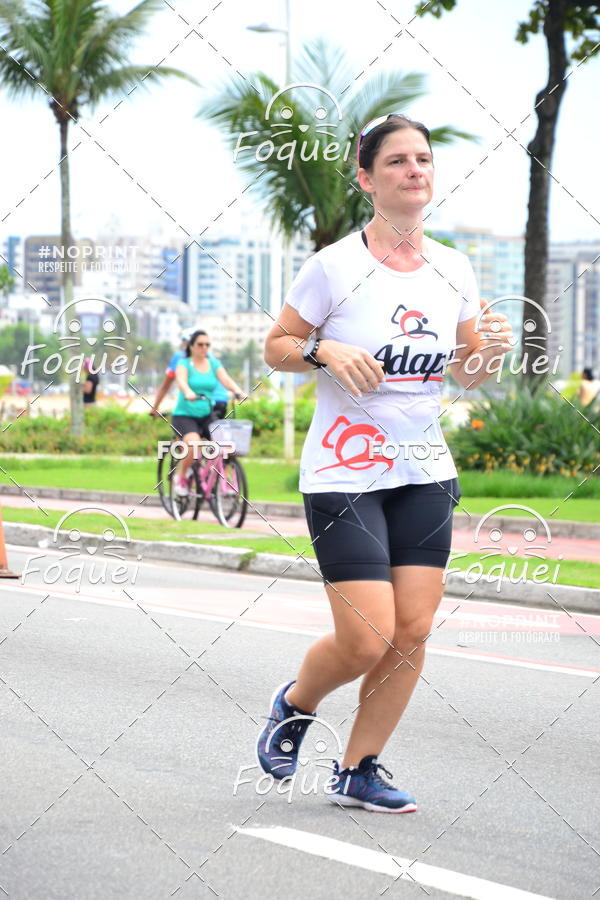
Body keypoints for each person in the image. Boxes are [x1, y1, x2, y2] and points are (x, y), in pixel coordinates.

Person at [259, 113, 514, 813]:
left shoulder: (453, 268)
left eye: (423, 159)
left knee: (412, 630)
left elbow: (468, 372)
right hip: (344, 472)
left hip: (424, 470)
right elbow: (276, 346)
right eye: (397, 161)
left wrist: (490, 351)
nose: (414, 170)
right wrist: (324, 350)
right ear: (367, 179)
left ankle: (358, 769)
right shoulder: (334, 267)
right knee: (367, 636)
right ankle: (295, 703)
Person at [171, 329, 244, 496]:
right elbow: (181, 380)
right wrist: (188, 392)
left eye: (207, 345)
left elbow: (226, 379)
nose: (204, 348)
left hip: (207, 414)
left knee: (225, 444)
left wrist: (238, 391)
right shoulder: (184, 363)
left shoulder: (213, 363)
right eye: (200, 344)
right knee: (193, 443)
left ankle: (222, 478)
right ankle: (181, 476)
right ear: (191, 346)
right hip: (185, 415)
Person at [149, 331, 231, 420]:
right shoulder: (209, 357)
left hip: (201, 404)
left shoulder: (181, 358)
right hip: (221, 402)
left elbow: (165, 386)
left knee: (186, 424)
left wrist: (155, 408)